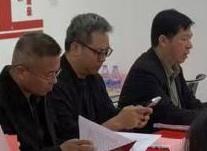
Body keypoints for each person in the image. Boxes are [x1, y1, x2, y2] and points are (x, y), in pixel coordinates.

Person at [0, 32, 97, 151]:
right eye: (49, 74)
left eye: (56, 72)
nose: (54, 81)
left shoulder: (39, 92)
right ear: (21, 72)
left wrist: (75, 148)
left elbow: (50, 141)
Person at [50, 13, 151, 141]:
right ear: (75, 48)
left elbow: (108, 114)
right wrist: (118, 122)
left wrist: (131, 116)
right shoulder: (53, 82)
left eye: (106, 52)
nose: (103, 59)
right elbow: (70, 138)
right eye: (99, 52)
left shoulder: (95, 78)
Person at [118, 9, 207, 127]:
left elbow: (192, 104)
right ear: (163, 41)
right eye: (184, 39)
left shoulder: (175, 68)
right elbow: (170, 116)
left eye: (189, 39)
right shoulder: (145, 71)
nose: (190, 45)